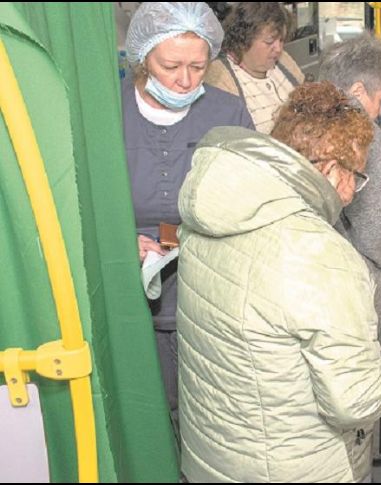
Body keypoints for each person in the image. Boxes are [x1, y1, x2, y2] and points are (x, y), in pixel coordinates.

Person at [176, 82, 381, 483]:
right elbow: (353, 401)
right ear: (332, 170)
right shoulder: (320, 256)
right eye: (357, 176)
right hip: (295, 468)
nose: (352, 193)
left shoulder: (206, 216)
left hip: (214, 460)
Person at [122, 1, 253, 431]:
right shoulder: (107, 114)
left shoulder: (226, 113)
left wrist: (175, 237)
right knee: (140, 412)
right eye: (170, 66)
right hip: (124, 294)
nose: (184, 80)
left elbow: (249, 200)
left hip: (203, 294)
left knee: (202, 419)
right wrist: (119, 238)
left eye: (198, 67)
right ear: (142, 58)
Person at [319, 34, 381, 357]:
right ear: (357, 92)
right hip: (357, 297)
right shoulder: (372, 145)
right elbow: (377, 234)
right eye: (380, 100)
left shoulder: (303, 125)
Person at [205, 2, 304, 133]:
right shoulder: (220, 76)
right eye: (269, 42)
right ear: (244, 40)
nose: (279, 49)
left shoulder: (284, 60)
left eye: (281, 40)